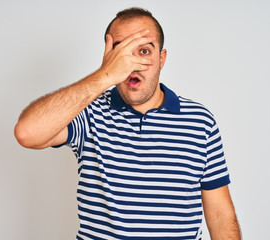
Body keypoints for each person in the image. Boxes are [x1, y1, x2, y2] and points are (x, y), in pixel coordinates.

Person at [14, 7, 241, 240]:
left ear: (161, 59)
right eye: (122, 52)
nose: (132, 64)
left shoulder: (200, 121)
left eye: (143, 51)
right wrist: (106, 75)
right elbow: (27, 132)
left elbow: (220, 214)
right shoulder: (88, 112)